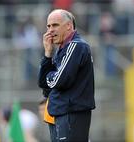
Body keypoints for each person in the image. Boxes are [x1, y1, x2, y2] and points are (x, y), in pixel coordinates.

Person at [38, 9, 95, 142]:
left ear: (69, 25)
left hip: (71, 114)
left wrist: (50, 77)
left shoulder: (76, 46)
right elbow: (44, 86)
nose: (50, 30)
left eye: (55, 25)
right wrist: (48, 54)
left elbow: (59, 81)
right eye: (48, 26)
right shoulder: (61, 49)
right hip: (61, 113)